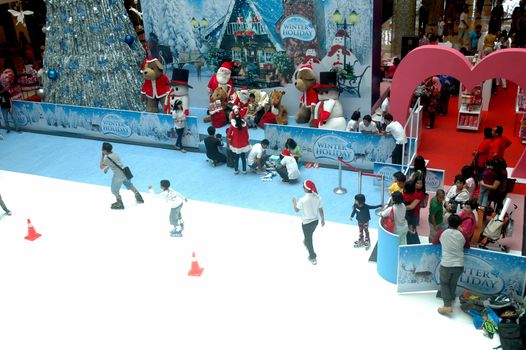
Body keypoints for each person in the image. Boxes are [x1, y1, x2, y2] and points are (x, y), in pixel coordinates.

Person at [432, 214, 470, 315]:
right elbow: (468, 246)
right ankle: (451, 297)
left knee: (444, 283)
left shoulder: (442, 232)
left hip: (446, 264)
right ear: (460, 224)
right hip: (459, 265)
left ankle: (447, 305)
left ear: (448, 222)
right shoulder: (463, 234)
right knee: (453, 283)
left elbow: (434, 242)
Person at [99, 142, 144, 210]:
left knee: (114, 190)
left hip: (118, 175)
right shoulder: (116, 154)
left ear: (104, 151)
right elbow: (115, 162)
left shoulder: (107, 158)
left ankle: (120, 203)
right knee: (129, 184)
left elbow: (101, 167)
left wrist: (102, 156)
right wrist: (108, 168)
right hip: (125, 172)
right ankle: (138, 195)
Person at [292, 180, 325, 265]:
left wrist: (294, 202)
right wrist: (323, 219)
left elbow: (296, 210)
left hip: (306, 223)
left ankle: (312, 257)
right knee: (309, 235)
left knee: (309, 239)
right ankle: (306, 241)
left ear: (306, 189)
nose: (303, 188)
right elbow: (321, 210)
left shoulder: (302, 200)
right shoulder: (318, 197)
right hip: (315, 222)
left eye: (303, 187)